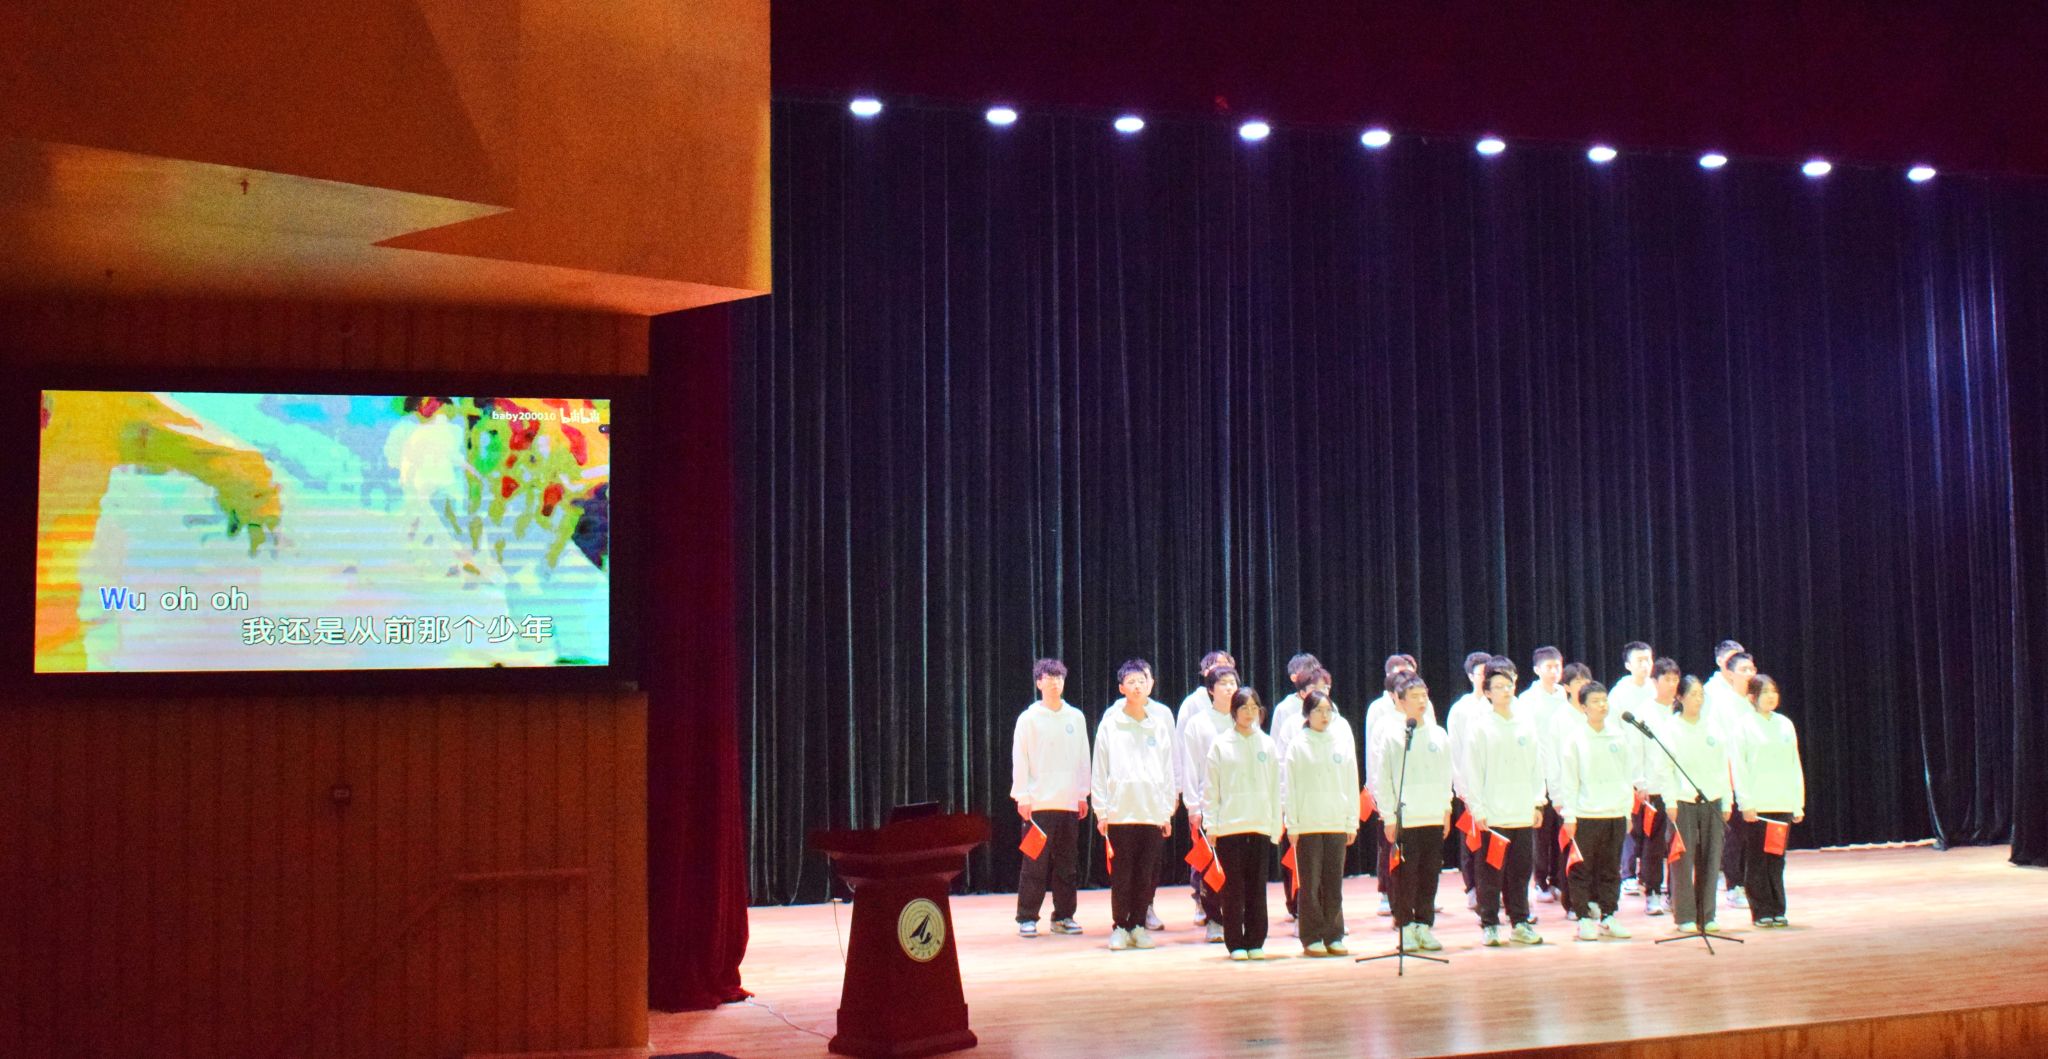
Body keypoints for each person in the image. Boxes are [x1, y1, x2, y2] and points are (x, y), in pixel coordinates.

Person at [1090, 659, 1179, 951]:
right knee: (1122, 874)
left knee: (1145, 873)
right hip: (1120, 812)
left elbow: (1167, 771)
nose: (1137, 686)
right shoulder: (1110, 724)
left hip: (1151, 812)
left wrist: (1166, 812)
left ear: (1149, 686)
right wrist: (1101, 811)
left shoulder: (1158, 726)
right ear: (1121, 688)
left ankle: (1139, 926)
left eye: (1141, 681)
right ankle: (1120, 926)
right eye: (1131, 682)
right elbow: (1099, 769)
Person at [1463, 662, 1546, 945]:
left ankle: (1520, 922)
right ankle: (1489, 924)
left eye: (1509, 685)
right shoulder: (1480, 727)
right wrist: (1478, 809)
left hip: (1522, 811)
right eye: (1498, 687)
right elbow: (1473, 771)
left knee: (1520, 872)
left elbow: (1536, 766)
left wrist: (1538, 802)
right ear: (1487, 693)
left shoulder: (1525, 723)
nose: (1506, 691)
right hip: (1494, 814)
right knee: (1490, 873)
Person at [1011, 658, 1091, 937]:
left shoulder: (1076, 717)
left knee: (1067, 865)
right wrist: (1022, 796)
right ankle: (1026, 917)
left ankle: (1064, 916)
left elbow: (1083, 757)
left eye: (1059, 678)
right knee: (1034, 863)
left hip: (1068, 803)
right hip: (1038, 804)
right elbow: (1020, 758)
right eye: (1049, 678)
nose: (1055, 682)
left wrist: (1082, 794)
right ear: (1039, 683)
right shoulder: (1028, 718)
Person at [1374, 674, 1454, 953]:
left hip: (1432, 815)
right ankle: (1405, 926)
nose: (1422, 701)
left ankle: (1423, 925)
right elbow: (1384, 779)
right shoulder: (1392, 736)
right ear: (1400, 701)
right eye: (1415, 697)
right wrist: (1389, 816)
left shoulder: (1439, 734)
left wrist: (1446, 809)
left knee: (1429, 873)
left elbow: (1446, 776)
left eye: (1424, 695)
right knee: (1405, 875)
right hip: (1405, 817)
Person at [1204, 687, 1283, 960]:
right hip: (1230, 827)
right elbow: (1211, 789)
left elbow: (1275, 788)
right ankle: (1236, 943)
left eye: (1254, 708)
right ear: (1233, 712)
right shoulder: (1221, 744)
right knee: (1233, 888)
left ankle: (1256, 940)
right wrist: (1211, 825)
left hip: (1260, 825)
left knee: (1257, 887)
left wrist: (1275, 825)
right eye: (1243, 708)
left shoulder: (1267, 744)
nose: (1249, 713)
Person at [1555, 681, 1637, 941]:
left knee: (1611, 869)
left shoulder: (1618, 736)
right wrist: (1570, 815)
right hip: (1585, 814)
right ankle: (1583, 917)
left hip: (1614, 813)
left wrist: (1626, 812)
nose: (1602, 705)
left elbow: (1627, 776)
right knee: (1581, 869)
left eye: (1604, 700)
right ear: (1583, 707)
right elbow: (1569, 781)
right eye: (1595, 701)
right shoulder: (1575, 739)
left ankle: (1609, 915)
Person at [1282, 689, 1359, 956]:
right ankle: (1312, 936)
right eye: (1318, 711)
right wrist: (1292, 824)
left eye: (1328, 711)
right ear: (1307, 714)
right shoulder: (1298, 745)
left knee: (1333, 882)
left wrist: (1351, 822)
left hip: (1336, 821)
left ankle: (1334, 934)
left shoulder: (1341, 743)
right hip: (1308, 824)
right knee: (1311, 884)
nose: (1324, 716)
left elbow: (1350, 783)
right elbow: (1290, 788)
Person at [1656, 674, 1734, 933]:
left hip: (1712, 800)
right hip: (1683, 801)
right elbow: (1664, 769)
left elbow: (1723, 766)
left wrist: (1727, 800)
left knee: (1711, 859)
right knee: (1682, 860)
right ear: (1680, 697)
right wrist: (1670, 800)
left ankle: (1707, 914)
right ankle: (1685, 916)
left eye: (1701, 694)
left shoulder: (1713, 727)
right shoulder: (1670, 728)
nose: (1698, 699)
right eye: (1693, 694)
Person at [1732, 674, 1804, 927]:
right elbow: (1739, 767)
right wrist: (1745, 802)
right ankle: (1760, 910)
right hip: (1758, 805)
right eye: (1765, 692)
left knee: (1776, 858)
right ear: (1752, 697)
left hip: (1781, 802)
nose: (1771, 696)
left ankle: (1777, 908)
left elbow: (1794, 764)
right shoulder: (1744, 726)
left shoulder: (1785, 724)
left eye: (1774, 691)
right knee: (1757, 859)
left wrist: (1797, 802)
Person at [1179, 665, 1242, 942]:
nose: (1229, 688)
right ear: (1210, 690)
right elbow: (1191, 766)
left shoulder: (1243, 719)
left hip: (1240, 804)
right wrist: (1193, 806)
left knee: (1238, 866)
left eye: (1232, 683)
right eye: (1223, 683)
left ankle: (1236, 918)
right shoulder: (1198, 723)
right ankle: (1214, 919)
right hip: (1209, 806)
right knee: (1212, 866)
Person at [1362, 654, 1419, 916]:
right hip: (1387, 787)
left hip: (1415, 788)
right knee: (1389, 842)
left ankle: (1417, 893)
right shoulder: (1379, 709)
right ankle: (1387, 892)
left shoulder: (1423, 707)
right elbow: (1373, 752)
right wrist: (1374, 788)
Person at [1631, 657, 1684, 916]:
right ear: (1655, 681)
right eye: (1667, 679)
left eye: (1675, 679)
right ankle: (1652, 892)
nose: (1672, 684)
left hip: (1680, 787)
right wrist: (1639, 782)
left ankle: (1675, 893)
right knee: (1653, 843)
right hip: (1654, 787)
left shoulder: (1681, 710)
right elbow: (1636, 750)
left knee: (1679, 841)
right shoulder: (1644, 711)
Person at [1520, 647, 1571, 907]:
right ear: (1536, 669)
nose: (1554, 672)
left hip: (1563, 771)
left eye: (1557, 667)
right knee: (1541, 831)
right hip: (1539, 772)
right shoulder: (1527, 700)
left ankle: (1559, 879)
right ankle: (1540, 881)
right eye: (1548, 667)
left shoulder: (1566, 696)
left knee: (1563, 828)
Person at [1445, 650, 1496, 908]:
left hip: (1495, 785)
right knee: (1472, 839)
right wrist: (1461, 787)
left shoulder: (1497, 706)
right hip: (1468, 784)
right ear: (1470, 676)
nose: (1485, 677)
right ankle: (1473, 888)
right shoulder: (1461, 709)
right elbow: (1454, 750)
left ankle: (1494, 888)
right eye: (1481, 673)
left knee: (1494, 838)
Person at [1714, 651, 1760, 907]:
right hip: (1731, 774)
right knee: (1735, 833)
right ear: (1730, 674)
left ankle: (1753, 883)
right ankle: (1734, 884)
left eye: (1752, 669)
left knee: (1755, 834)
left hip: (1756, 776)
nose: (1750, 674)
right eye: (1744, 670)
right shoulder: (1722, 704)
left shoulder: (1756, 702)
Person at [1612, 642, 1655, 898]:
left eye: (1648, 660)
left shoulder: (1655, 690)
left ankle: (1649, 875)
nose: (1645, 665)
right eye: (1639, 660)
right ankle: (1627, 874)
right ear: (1628, 665)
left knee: (1653, 823)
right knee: (1631, 821)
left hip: (1653, 766)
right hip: (1627, 765)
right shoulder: (1619, 694)